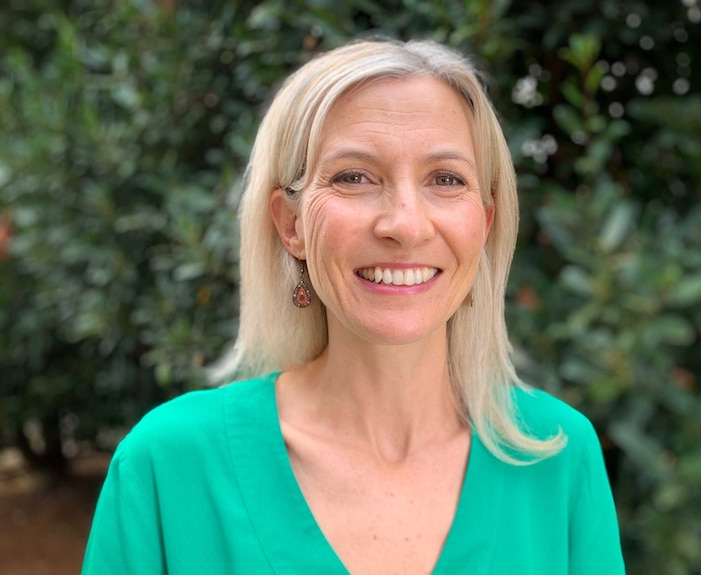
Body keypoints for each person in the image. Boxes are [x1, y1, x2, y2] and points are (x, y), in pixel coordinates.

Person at [81, 38, 625, 574]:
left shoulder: (558, 456)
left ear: (483, 225)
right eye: (355, 177)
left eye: (445, 179)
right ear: (290, 223)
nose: (405, 225)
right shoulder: (167, 467)